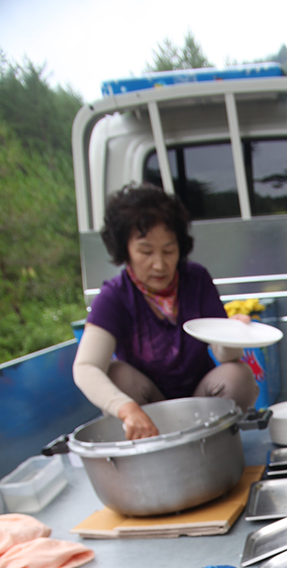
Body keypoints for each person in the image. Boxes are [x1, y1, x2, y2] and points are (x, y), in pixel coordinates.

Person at [73, 184, 258, 440]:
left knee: (239, 374)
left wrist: (233, 335)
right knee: (116, 374)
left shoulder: (197, 279)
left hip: (201, 406)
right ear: (124, 250)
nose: (160, 264)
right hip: (149, 410)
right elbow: (85, 367)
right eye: (146, 251)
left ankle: (212, 440)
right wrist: (125, 409)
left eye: (169, 250)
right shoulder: (115, 296)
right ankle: (147, 440)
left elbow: (223, 355)